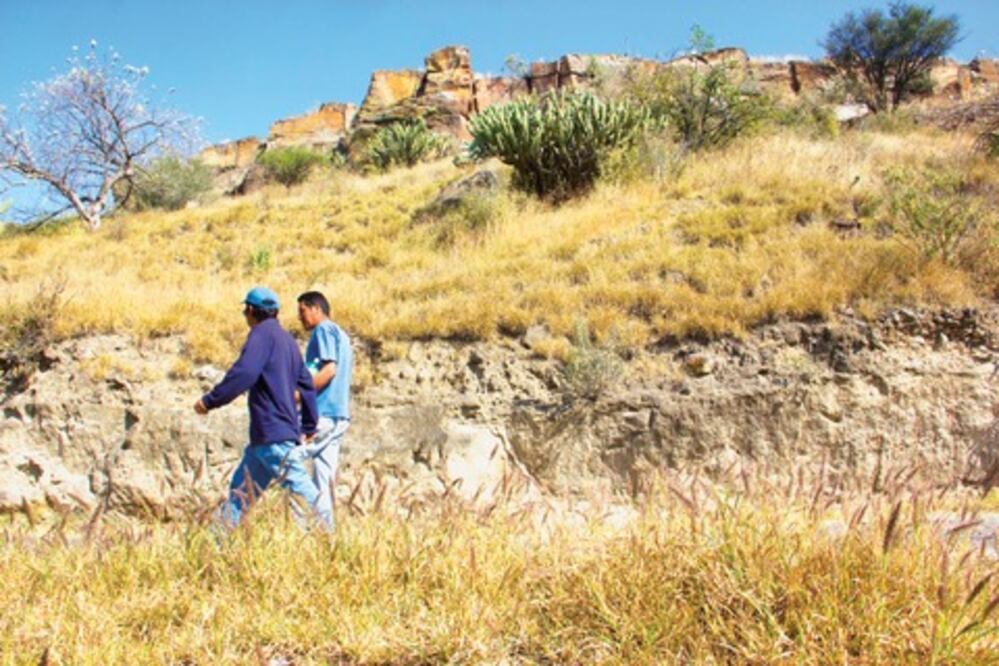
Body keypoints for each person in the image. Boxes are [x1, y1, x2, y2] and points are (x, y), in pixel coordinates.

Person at [194, 286, 321, 527]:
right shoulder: (288, 342)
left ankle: (332, 538)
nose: (245, 315)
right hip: (267, 438)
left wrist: (209, 401)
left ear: (251, 310)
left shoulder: (261, 336)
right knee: (240, 496)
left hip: (272, 435)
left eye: (245, 311)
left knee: (306, 493)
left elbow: (244, 373)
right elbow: (306, 384)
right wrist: (309, 424)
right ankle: (213, 547)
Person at [296, 290, 352, 529]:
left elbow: (329, 371)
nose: (300, 318)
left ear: (316, 308)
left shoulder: (324, 331)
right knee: (323, 477)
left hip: (322, 414)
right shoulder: (342, 335)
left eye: (302, 311)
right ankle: (324, 534)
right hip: (338, 414)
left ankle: (297, 529)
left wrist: (298, 397)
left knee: (288, 460)